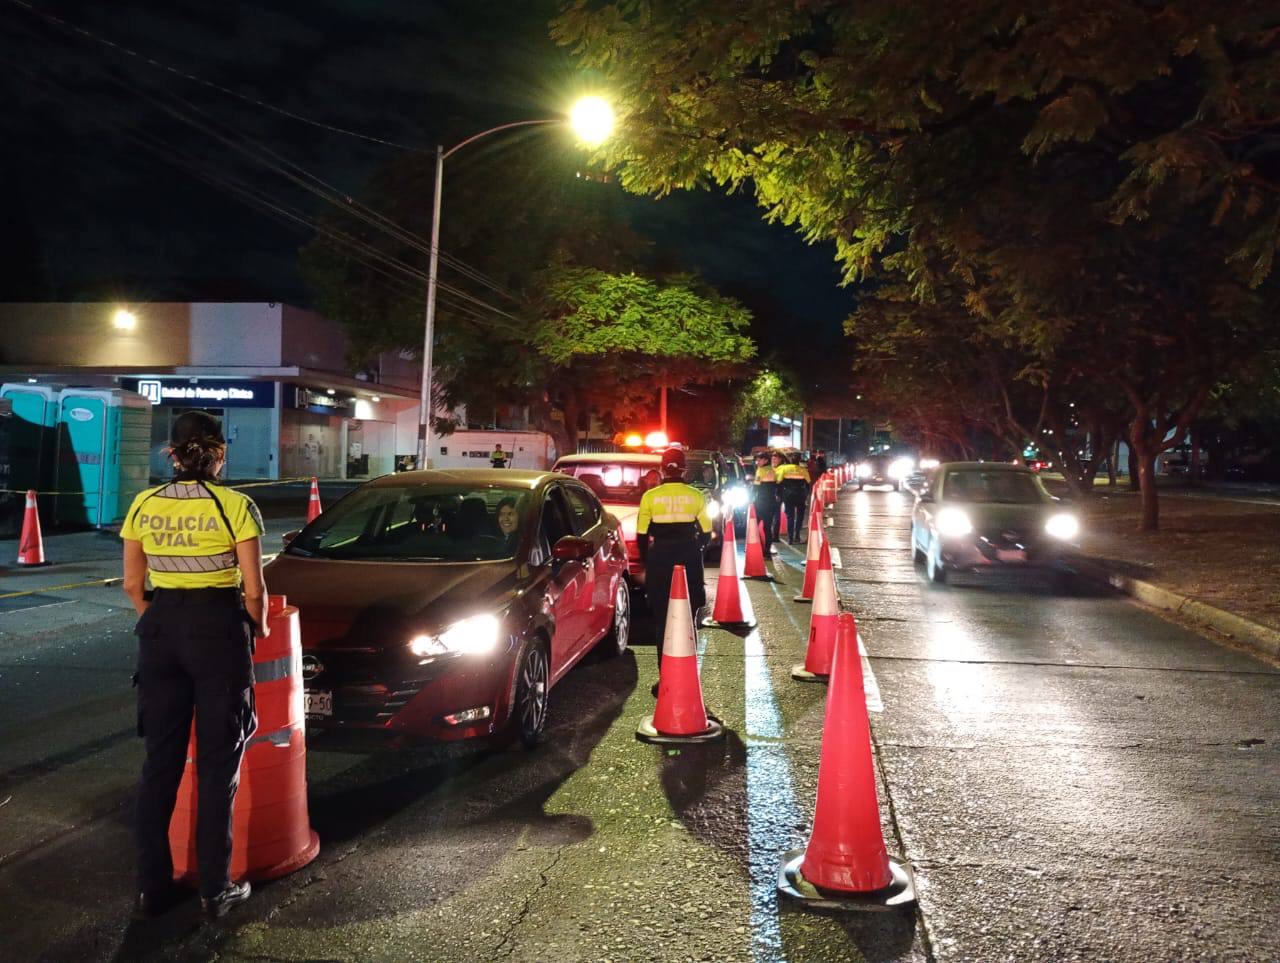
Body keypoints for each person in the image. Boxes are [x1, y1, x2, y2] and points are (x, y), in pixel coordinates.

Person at [121, 411, 267, 921]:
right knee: (217, 765)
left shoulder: (144, 503)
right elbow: (253, 589)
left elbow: (132, 586)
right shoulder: (234, 506)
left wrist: (159, 620)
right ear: (219, 454)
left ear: (173, 453)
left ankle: (151, 889)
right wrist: (258, 627)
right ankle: (214, 887)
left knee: (159, 766)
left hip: (161, 633)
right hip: (217, 633)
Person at [636, 447, 712, 696]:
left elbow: (641, 536)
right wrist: (695, 548)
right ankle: (688, 674)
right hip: (688, 556)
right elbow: (707, 533)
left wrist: (649, 562)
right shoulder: (696, 496)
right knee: (689, 618)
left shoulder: (650, 497)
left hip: (660, 559)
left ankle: (665, 676)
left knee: (662, 620)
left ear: (661, 469)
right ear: (684, 469)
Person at [778, 452, 811, 543]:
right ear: (799, 460)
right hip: (800, 495)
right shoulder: (803, 470)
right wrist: (806, 494)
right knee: (800, 516)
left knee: (790, 517)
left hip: (788, 495)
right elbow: (808, 484)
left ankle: (790, 538)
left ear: (790, 460)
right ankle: (797, 535)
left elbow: (779, 483)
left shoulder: (784, 469)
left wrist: (779, 495)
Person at [752, 452, 779, 558]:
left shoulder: (760, 471)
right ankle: (767, 551)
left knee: (754, 525)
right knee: (767, 527)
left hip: (761, 502)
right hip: (771, 502)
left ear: (766, 460)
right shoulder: (773, 471)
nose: (757, 462)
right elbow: (777, 486)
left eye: (759, 460)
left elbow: (755, 488)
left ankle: (757, 547)